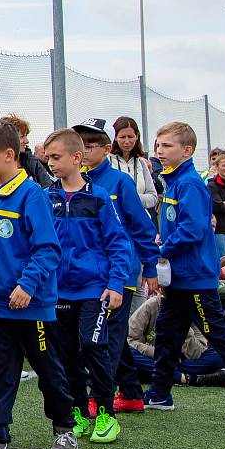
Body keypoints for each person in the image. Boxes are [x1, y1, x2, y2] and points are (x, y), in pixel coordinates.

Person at [143, 122, 225, 422]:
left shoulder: (189, 183)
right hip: (179, 277)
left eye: (167, 146)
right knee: (166, 334)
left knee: (218, 335)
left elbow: (191, 230)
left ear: (186, 150)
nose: (159, 151)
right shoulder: (175, 181)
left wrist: (161, 250)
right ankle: (160, 392)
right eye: (158, 145)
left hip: (194, 278)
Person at [0, 121, 78, 449]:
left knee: (48, 370)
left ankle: (64, 429)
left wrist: (27, 285)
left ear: (9, 154)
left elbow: (47, 249)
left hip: (31, 306)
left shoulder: (33, 196)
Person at [45, 128, 131, 444]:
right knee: (66, 354)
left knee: (93, 346)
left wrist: (117, 284)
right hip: (58, 291)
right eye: (48, 157)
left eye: (57, 157)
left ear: (77, 158)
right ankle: (80, 413)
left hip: (95, 288)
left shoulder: (99, 198)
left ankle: (106, 415)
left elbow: (119, 243)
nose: (51, 163)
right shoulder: (45, 197)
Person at [74, 117, 160, 416]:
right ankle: (133, 394)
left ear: (105, 148)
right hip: (90, 273)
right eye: (78, 143)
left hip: (120, 271)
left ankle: (99, 397)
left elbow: (141, 226)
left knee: (105, 334)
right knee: (114, 333)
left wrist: (150, 266)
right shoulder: (76, 182)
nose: (82, 150)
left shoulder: (120, 182)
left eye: (89, 144)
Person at [127, 295, 225, 387]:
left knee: (220, 355)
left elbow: (198, 352)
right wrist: (160, 353)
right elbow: (129, 340)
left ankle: (161, 373)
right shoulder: (151, 305)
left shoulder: (195, 308)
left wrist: (182, 326)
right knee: (129, 354)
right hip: (153, 357)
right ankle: (188, 378)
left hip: (183, 359)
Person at [110, 117, 158, 211]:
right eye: (122, 137)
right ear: (115, 138)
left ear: (136, 137)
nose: (127, 142)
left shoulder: (141, 163)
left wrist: (131, 199)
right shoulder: (107, 161)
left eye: (130, 137)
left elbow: (153, 197)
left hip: (139, 220)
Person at [0, 114, 53, 188]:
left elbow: (48, 188)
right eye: (22, 137)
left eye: (26, 136)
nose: (26, 141)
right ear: (8, 139)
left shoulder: (32, 162)